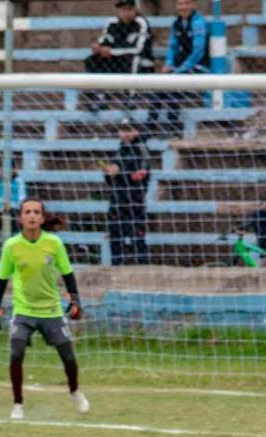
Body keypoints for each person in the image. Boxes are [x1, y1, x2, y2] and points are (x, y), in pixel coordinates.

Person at [0, 198, 89, 421]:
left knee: (69, 358)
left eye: (36, 212)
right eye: (27, 212)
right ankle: (18, 404)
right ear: (20, 218)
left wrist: (75, 301)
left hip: (51, 310)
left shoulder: (54, 243)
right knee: (16, 353)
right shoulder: (11, 246)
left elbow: (68, 274)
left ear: (42, 218)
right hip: (23, 311)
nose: (32, 216)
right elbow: (2, 280)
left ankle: (75, 391)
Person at [83, 0, 155, 113]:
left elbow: (138, 49)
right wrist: (97, 46)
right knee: (92, 59)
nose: (125, 13)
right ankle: (100, 97)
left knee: (134, 59)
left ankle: (132, 97)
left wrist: (111, 51)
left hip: (141, 64)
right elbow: (104, 41)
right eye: (122, 9)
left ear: (135, 9)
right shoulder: (111, 22)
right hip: (118, 62)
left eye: (129, 9)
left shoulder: (141, 22)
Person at [152, 0, 211, 138]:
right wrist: (169, 64)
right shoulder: (176, 24)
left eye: (186, 3)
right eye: (180, 4)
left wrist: (180, 70)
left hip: (198, 67)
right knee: (157, 89)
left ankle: (173, 129)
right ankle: (151, 126)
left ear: (193, 4)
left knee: (173, 89)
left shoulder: (198, 22)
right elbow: (172, 47)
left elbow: (198, 52)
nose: (183, 7)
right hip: (179, 68)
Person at [104, 118, 152, 265]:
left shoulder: (142, 150)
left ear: (135, 131)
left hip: (134, 202)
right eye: (122, 130)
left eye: (128, 130)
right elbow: (110, 180)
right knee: (115, 237)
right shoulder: (118, 151)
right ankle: (116, 269)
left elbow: (140, 176)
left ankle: (141, 270)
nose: (124, 134)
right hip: (117, 201)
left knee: (137, 237)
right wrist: (109, 174)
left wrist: (120, 171)